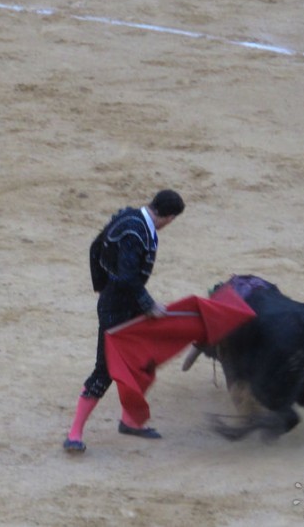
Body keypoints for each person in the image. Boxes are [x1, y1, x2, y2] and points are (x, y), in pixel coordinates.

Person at [63, 189, 185, 453]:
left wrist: (101, 284)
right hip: (117, 308)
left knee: (143, 359)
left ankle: (131, 421)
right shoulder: (136, 231)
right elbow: (128, 277)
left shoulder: (132, 218)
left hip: (123, 302)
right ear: (170, 217)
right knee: (105, 370)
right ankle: (74, 434)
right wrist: (147, 304)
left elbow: (96, 246)